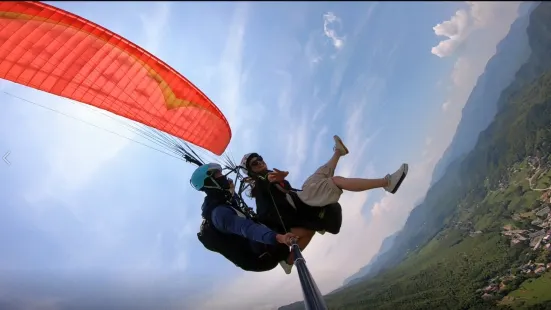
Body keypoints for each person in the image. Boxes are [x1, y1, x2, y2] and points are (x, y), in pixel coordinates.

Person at [241, 135, 409, 273]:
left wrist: (281, 178)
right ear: (250, 172)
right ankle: (386, 183)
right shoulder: (260, 183)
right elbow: (269, 184)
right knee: (335, 181)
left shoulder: (268, 177)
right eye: (254, 163)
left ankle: (338, 152)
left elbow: (278, 186)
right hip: (299, 207)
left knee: (317, 177)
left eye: (260, 159)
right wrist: (280, 178)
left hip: (299, 202)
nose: (260, 162)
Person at [191, 162, 298, 272]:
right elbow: (246, 228)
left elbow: (235, 202)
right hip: (262, 257)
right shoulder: (219, 213)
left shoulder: (223, 199)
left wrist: (230, 190)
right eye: (218, 174)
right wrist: (279, 237)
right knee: (294, 227)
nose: (223, 176)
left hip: (257, 242)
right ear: (210, 182)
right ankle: (287, 261)